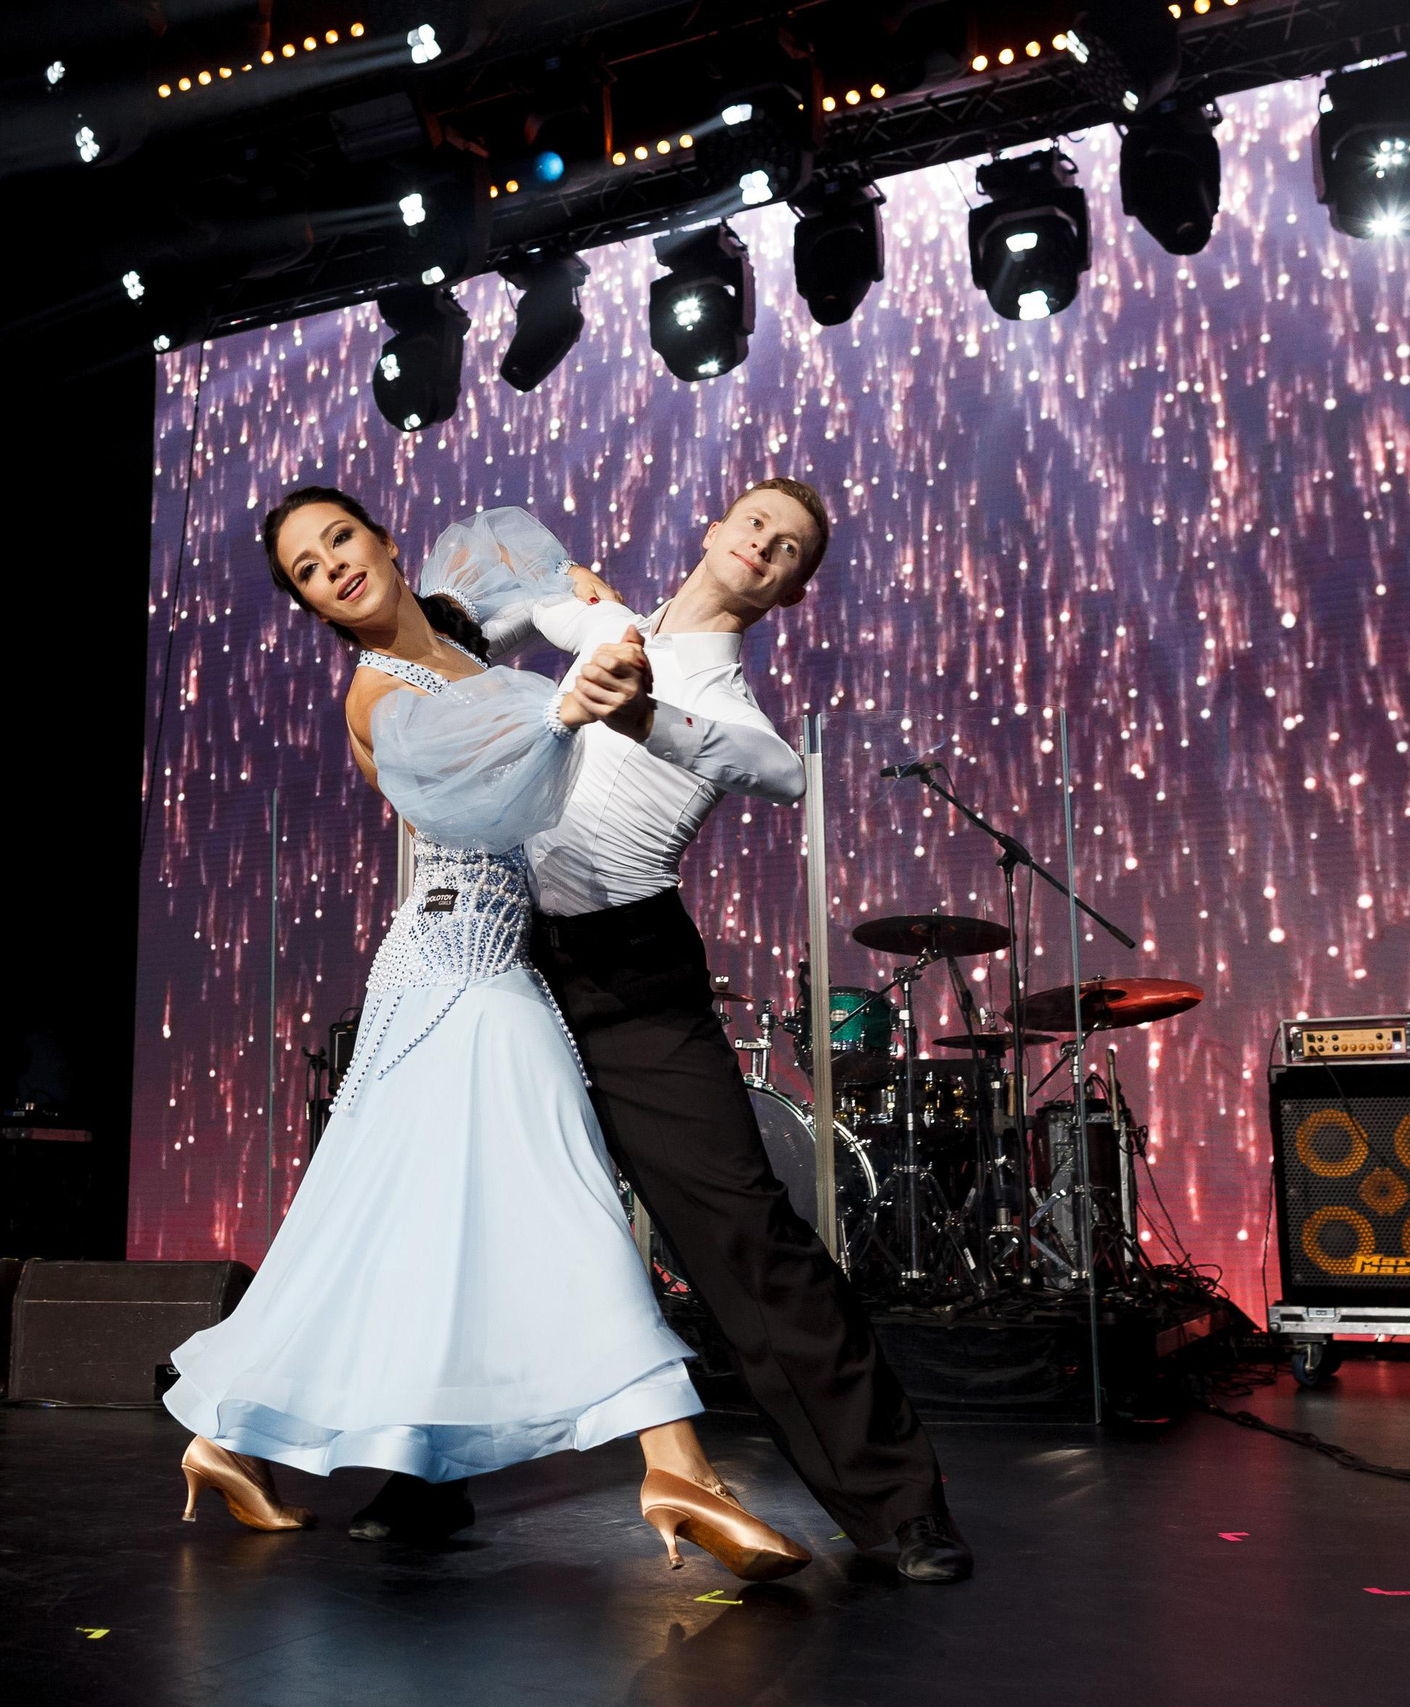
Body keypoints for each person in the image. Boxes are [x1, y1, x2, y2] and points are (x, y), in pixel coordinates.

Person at [160, 488, 810, 1583]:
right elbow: (473, 779)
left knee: (367, 1225)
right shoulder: (381, 695)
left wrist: (572, 587)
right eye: (309, 572)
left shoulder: (454, 634)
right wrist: (556, 714)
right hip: (461, 965)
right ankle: (678, 1466)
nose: (333, 568)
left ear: (384, 541)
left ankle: (221, 1435)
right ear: (312, 606)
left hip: (475, 958)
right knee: (567, 1189)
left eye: (340, 541)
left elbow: (504, 568)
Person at [520, 478, 974, 1584]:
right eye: (757, 523)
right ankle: (410, 1484)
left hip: (631, 973)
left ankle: (899, 1505)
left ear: (790, 592)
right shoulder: (599, 621)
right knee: (465, 1210)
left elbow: (778, 775)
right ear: (716, 528)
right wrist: (546, 583)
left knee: (745, 1234)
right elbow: (489, 573)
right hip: (508, 947)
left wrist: (640, 712)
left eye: (790, 550)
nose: (765, 545)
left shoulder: (734, 708)